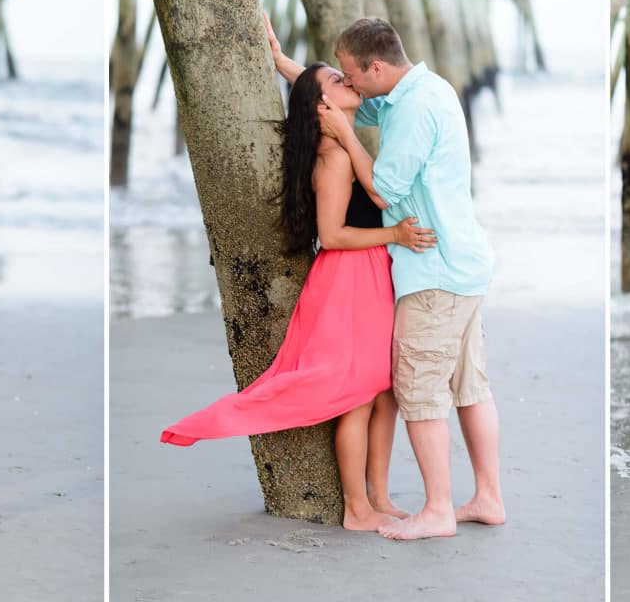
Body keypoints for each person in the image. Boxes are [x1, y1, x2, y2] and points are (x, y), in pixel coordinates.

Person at [161, 60, 435, 531]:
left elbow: (311, 89)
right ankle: (356, 509)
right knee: (359, 395)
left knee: (384, 391)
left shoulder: (342, 142)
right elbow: (331, 235)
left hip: (369, 273)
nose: (348, 81)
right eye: (337, 80)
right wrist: (394, 236)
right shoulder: (334, 157)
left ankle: (379, 495)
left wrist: (281, 59)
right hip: (350, 276)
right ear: (321, 105)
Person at [269, 16, 502, 541]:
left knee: (418, 394)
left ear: (375, 67)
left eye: (350, 76)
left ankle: (439, 509)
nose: (348, 85)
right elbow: (327, 94)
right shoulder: (416, 91)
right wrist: (289, 68)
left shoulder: (412, 109)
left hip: (433, 271)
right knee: (471, 388)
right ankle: (487, 495)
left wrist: (348, 134)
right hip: (462, 262)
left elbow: (384, 191)